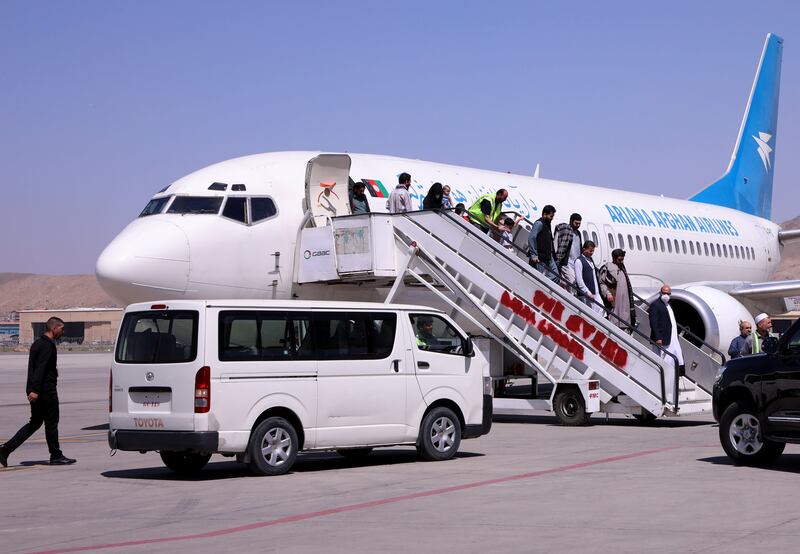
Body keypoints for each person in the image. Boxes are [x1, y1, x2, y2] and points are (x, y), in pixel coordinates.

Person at [0, 317, 76, 467]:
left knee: (35, 423)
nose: (63, 331)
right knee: (51, 423)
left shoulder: (38, 343)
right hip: (45, 390)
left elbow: (35, 369)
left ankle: (5, 449)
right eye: (62, 328)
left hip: (37, 389)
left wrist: (32, 389)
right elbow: (40, 369)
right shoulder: (47, 346)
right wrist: (35, 390)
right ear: (54, 328)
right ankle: (56, 455)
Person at [648, 284, 684, 369]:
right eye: (664, 293)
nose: (666, 295)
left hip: (670, 337)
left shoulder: (668, 305)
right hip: (661, 338)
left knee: (673, 357)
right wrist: (658, 337)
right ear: (660, 293)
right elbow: (653, 322)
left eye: (668, 294)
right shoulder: (655, 305)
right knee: (661, 358)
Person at [599, 248, 637, 329]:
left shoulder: (622, 268)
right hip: (614, 302)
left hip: (625, 303)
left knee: (625, 322)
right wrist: (607, 293)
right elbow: (602, 283)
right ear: (614, 258)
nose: (621, 262)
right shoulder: (607, 268)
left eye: (622, 259)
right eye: (619, 260)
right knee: (614, 321)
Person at [527, 205, 559, 283]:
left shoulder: (547, 224)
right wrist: (534, 254)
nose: (552, 218)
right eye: (551, 216)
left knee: (556, 275)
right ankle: (541, 285)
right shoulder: (539, 223)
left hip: (548, 256)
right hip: (539, 257)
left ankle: (543, 284)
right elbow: (531, 238)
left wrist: (554, 257)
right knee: (538, 277)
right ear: (544, 214)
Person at [574, 241, 604, 315]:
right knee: (592, 314)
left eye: (593, 251)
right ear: (584, 249)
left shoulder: (590, 259)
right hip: (588, 294)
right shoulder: (579, 261)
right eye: (590, 250)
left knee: (601, 311)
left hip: (596, 292)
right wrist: (588, 293)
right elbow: (579, 280)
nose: (592, 253)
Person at [554, 213, 582, 290]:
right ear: (571, 221)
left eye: (579, 224)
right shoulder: (566, 231)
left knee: (565, 284)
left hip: (576, 263)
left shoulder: (578, 233)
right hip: (567, 262)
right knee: (572, 281)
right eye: (576, 223)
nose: (578, 225)